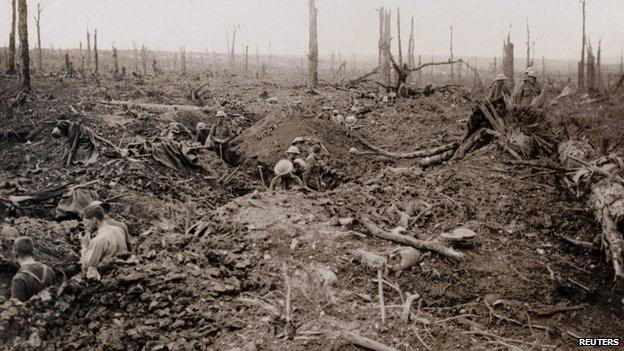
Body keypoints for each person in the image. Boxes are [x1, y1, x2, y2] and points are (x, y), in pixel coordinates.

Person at [80, 202, 127, 270]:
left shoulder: (98, 240)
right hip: (121, 271)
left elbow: (87, 267)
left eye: (85, 222)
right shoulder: (118, 230)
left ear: (93, 220)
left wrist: (85, 246)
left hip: (107, 276)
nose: (84, 226)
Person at [10, 237, 56, 302]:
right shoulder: (49, 270)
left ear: (15, 253)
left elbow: (16, 309)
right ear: (33, 251)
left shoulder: (19, 279)